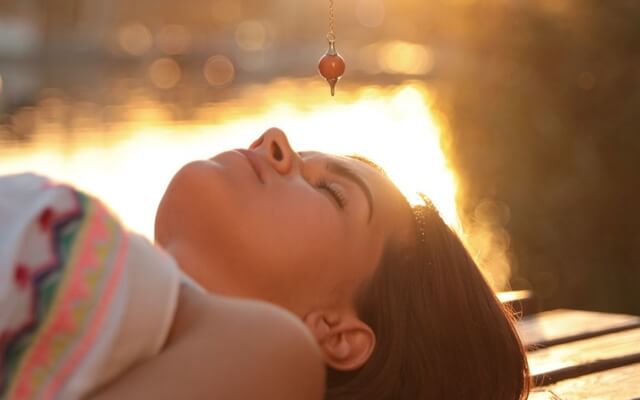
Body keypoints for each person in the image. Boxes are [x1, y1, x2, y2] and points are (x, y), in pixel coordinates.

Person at [0, 127, 529, 399]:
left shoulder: (279, 354)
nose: (276, 140)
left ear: (336, 334)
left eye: (330, 193)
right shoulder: (120, 307)